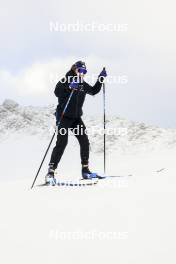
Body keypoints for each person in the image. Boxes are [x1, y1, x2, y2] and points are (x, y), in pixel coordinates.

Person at [45, 61, 107, 185]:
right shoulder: (65, 80)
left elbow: (94, 91)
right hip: (63, 116)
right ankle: (50, 172)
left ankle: (85, 170)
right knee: (62, 142)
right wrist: (69, 87)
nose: (82, 73)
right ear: (74, 69)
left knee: (84, 140)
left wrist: (100, 79)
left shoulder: (82, 84)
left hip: (76, 118)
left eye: (84, 72)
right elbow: (57, 92)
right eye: (80, 71)